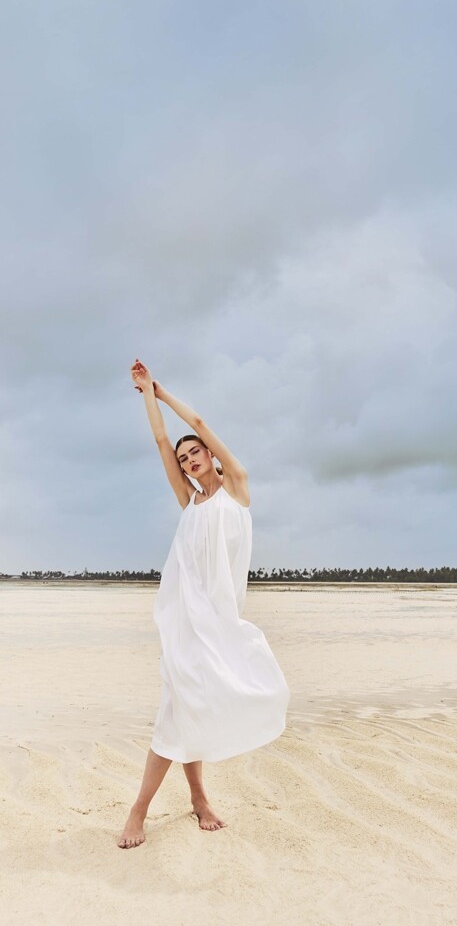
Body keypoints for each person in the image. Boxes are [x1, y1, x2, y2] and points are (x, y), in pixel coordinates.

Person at [118, 359, 291, 848]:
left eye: (196, 452)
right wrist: (145, 394)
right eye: (185, 458)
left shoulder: (236, 487)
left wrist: (162, 391)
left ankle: (196, 798)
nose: (190, 459)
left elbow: (197, 423)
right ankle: (142, 810)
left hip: (220, 625)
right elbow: (161, 441)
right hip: (185, 625)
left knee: (193, 708)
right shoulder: (187, 500)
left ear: (211, 455)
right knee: (176, 710)